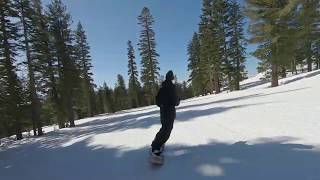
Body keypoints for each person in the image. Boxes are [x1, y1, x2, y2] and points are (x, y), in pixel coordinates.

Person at [151, 70, 180, 157]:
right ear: (171, 78)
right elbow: (175, 102)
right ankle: (155, 147)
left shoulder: (162, 89)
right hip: (169, 113)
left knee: (164, 129)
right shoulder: (171, 88)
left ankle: (156, 144)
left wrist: (162, 105)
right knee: (166, 130)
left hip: (163, 113)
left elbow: (157, 101)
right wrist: (178, 99)